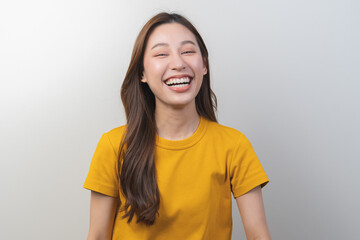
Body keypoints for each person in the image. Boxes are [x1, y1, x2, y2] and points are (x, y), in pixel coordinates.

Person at [84, 12, 271, 240]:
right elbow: (97, 236)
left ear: (204, 65)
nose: (178, 63)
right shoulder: (114, 146)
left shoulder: (234, 145)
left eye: (188, 51)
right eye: (162, 54)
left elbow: (259, 235)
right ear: (142, 73)